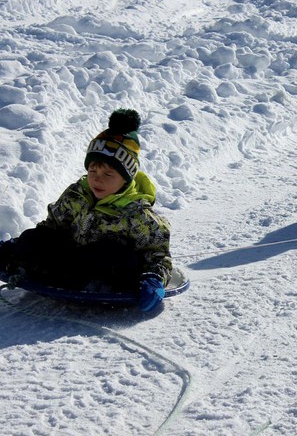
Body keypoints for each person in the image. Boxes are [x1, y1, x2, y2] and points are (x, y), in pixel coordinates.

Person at [0, 109, 172, 311]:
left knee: (113, 255)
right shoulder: (76, 195)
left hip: (108, 271)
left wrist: (154, 278)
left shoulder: (138, 215)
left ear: (126, 179)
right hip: (72, 258)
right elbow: (51, 228)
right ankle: (18, 258)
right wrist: (21, 247)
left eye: (108, 174)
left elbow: (158, 255)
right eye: (93, 170)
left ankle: (82, 281)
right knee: (33, 238)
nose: (97, 179)